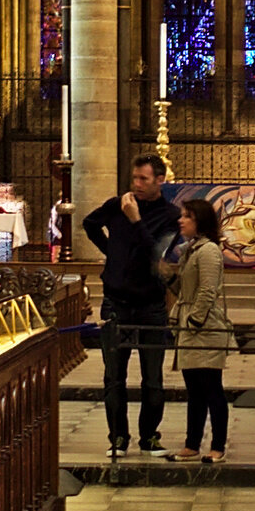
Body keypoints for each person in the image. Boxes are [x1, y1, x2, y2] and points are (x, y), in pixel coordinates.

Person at [81, 156, 180, 459]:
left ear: (160, 180)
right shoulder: (117, 205)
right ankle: (118, 438)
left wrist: (136, 220)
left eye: (144, 180)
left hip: (150, 303)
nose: (136, 185)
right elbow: (89, 223)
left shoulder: (170, 215)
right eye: (134, 178)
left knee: (153, 378)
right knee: (114, 377)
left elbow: (156, 253)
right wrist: (112, 252)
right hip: (117, 302)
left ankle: (149, 436)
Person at [168, 197, 237, 462]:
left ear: (200, 222)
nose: (181, 220)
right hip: (190, 326)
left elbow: (208, 290)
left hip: (204, 328)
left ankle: (217, 446)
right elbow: (188, 290)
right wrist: (169, 277)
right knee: (194, 390)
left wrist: (195, 321)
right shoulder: (191, 250)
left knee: (211, 388)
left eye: (187, 216)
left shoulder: (208, 251)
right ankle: (192, 443)